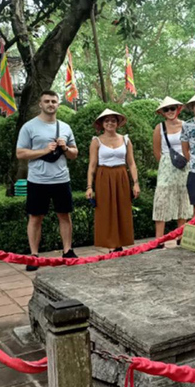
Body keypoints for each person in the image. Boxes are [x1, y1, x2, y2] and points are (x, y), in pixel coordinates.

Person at [15, 90, 79, 271]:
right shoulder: (29, 127)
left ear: (58, 104)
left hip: (61, 178)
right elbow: (20, 153)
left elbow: (74, 154)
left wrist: (65, 147)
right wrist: (43, 150)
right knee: (35, 217)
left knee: (64, 215)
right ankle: (34, 255)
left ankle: (68, 251)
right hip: (38, 180)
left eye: (54, 101)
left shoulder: (65, 127)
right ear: (40, 104)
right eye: (47, 101)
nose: (51, 104)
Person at [85, 109, 139, 253]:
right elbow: (92, 165)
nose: (110, 123)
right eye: (106, 120)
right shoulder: (96, 141)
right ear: (102, 124)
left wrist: (136, 183)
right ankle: (111, 244)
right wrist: (89, 186)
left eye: (113, 121)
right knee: (105, 209)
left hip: (121, 175)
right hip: (103, 175)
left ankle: (120, 242)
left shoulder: (125, 140)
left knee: (123, 208)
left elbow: (132, 163)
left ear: (117, 123)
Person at [152, 97, 193, 244]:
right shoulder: (160, 128)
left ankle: (181, 236)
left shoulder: (186, 126)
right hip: (166, 166)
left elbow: (191, 146)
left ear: (178, 109)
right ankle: (159, 239)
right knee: (161, 198)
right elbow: (157, 152)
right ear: (162, 112)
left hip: (184, 165)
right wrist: (167, 163)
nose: (170, 112)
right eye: (166, 109)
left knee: (183, 198)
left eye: (172, 108)